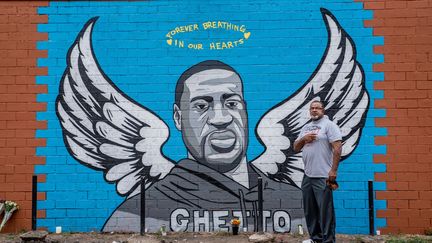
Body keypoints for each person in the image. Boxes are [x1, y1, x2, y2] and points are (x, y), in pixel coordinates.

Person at [102, 60, 304, 232]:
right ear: (178, 118)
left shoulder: (296, 202)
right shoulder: (138, 212)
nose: (221, 118)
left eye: (232, 104)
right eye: (201, 106)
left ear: (245, 110)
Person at [293, 100, 342, 243]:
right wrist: (304, 138)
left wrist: (333, 170)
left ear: (323, 110)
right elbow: (296, 147)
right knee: (310, 210)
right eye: (312, 108)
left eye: (317, 108)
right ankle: (316, 238)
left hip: (323, 175)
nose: (314, 110)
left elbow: (337, 148)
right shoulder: (306, 127)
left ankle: (328, 240)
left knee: (325, 212)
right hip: (308, 175)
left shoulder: (329, 126)